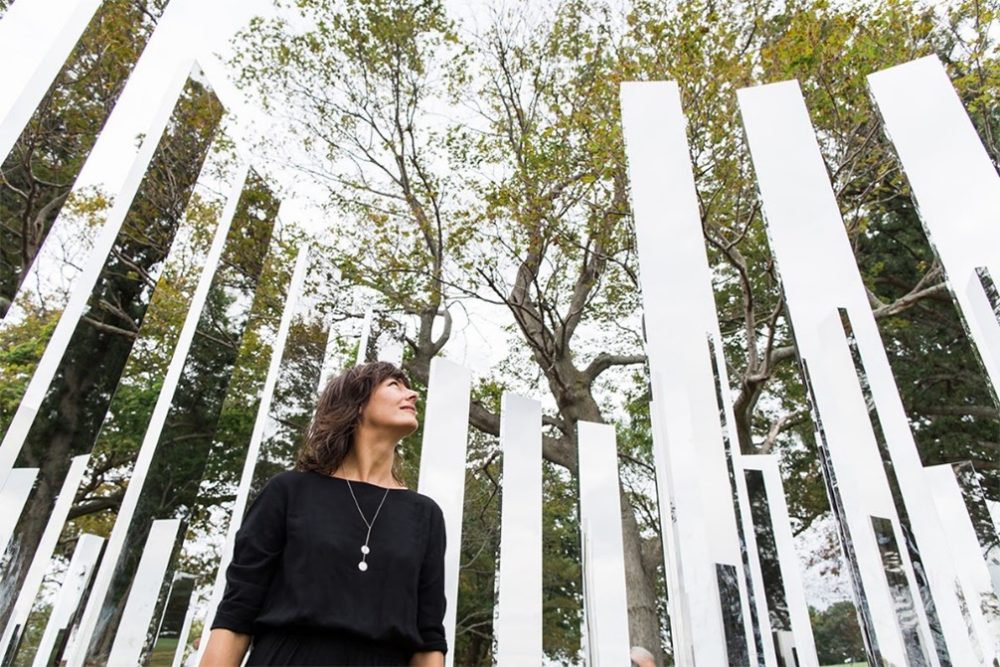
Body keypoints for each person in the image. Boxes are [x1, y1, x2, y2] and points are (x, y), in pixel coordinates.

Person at [200, 362, 447, 667]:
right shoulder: (288, 491)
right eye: (394, 385)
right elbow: (238, 610)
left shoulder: (425, 515)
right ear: (356, 404)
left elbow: (428, 638)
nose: (412, 394)